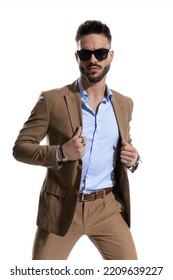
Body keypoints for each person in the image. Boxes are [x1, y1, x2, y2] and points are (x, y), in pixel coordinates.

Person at [13, 20, 140, 260]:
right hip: (62, 209)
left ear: (110, 56)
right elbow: (20, 148)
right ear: (77, 56)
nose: (93, 60)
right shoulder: (52, 100)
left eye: (100, 53)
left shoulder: (124, 104)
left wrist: (133, 159)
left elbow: (125, 145)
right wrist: (60, 153)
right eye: (86, 53)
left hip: (107, 207)